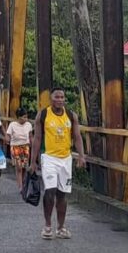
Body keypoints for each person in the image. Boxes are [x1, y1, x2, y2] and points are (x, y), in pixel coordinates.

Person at [30, 88, 86, 240]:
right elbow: (37, 139)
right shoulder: (43, 115)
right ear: (51, 99)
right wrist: (33, 161)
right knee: (50, 190)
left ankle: (60, 227)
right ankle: (48, 226)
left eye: (62, 97)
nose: (60, 100)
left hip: (65, 159)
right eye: (57, 97)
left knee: (62, 194)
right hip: (49, 158)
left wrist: (81, 156)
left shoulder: (71, 116)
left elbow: (77, 136)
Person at [5, 107, 33, 191]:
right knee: (19, 167)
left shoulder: (28, 125)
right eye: (24, 117)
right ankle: (20, 187)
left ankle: (23, 183)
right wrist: (7, 139)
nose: (26, 119)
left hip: (26, 147)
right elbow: (8, 134)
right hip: (15, 147)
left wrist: (33, 144)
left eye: (26, 117)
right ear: (19, 117)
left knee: (24, 167)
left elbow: (31, 136)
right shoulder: (12, 124)